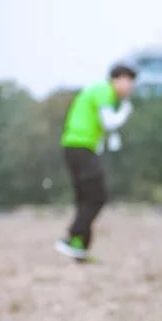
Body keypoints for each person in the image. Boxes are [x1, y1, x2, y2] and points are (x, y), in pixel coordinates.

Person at [54, 63, 137, 261]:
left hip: (75, 147)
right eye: (128, 81)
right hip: (82, 147)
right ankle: (72, 237)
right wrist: (126, 111)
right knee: (97, 198)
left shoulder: (99, 92)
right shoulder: (104, 91)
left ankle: (80, 248)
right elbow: (109, 122)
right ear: (117, 79)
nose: (130, 87)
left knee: (85, 199)